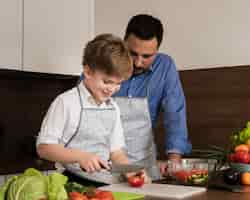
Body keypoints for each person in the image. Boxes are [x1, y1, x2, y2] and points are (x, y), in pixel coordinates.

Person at [36, 33, 149, 186]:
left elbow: (116, 153)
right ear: (87, 72)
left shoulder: (113, 107)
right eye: (107, 82)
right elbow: (44, 148)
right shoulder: (66, 102)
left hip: (105, 183)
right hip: (71, 182)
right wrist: (80, 156)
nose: (112, 89)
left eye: (118, 83)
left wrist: (130, 170)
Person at [114, 14, 192, 175]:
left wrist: (174, 161)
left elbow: (175, 114)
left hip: (143, 166)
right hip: (102, 163)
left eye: (146, 56)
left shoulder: (165, 66)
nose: (137, 62)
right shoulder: (104, 60)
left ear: (157, 51)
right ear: (123, 43)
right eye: (132, 53)